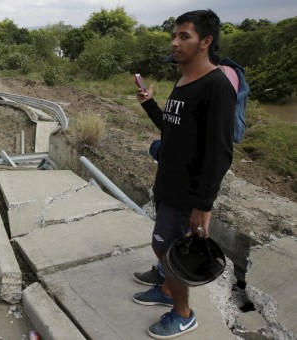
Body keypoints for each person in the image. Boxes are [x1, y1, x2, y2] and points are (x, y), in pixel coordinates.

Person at [132, 9, 236, 339]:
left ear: (206, 41)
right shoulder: (184, 79)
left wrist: (203, 206)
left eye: (184, 36)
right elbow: (172, 130)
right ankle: (165, 290)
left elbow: (220, 153)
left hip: (187, 193)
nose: (175, 42)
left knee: (168, 250)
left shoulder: (216, 86)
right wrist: (150, 104)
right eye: (174, 35)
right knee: (166, 247)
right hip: (168, 184)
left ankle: (183, 313)